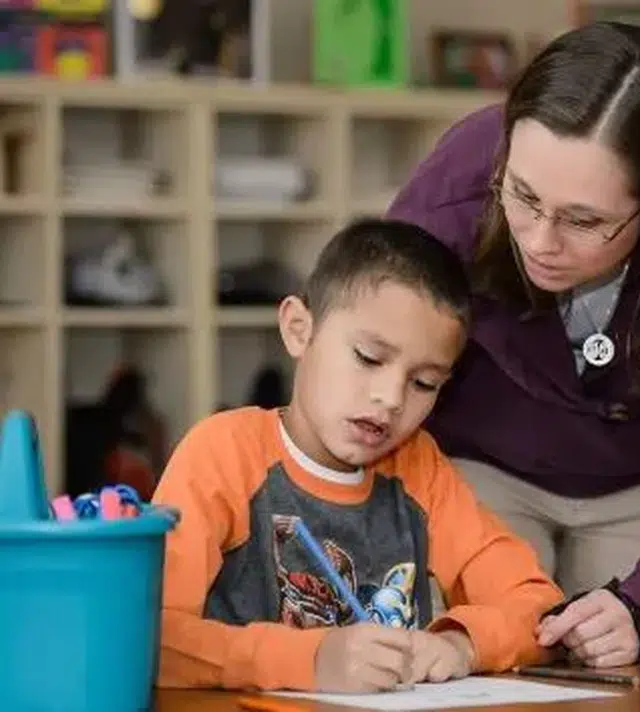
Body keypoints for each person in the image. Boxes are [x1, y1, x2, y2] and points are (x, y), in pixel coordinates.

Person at [386, 20, 640, 667]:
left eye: (585, 220)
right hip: (476, 467)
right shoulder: (459, 179)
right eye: (521, 197)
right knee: (486, 662)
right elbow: (377, 364)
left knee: (638, 681)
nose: (540, 240)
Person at [152, 219, 563, 693]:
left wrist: (462, 645)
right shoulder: (224, 454)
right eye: (369, 357)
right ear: (298, 330)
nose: (391, 398)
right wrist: (309, 661)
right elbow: (150, 637)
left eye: (424, 383)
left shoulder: (417, 468)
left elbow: (536, 606)